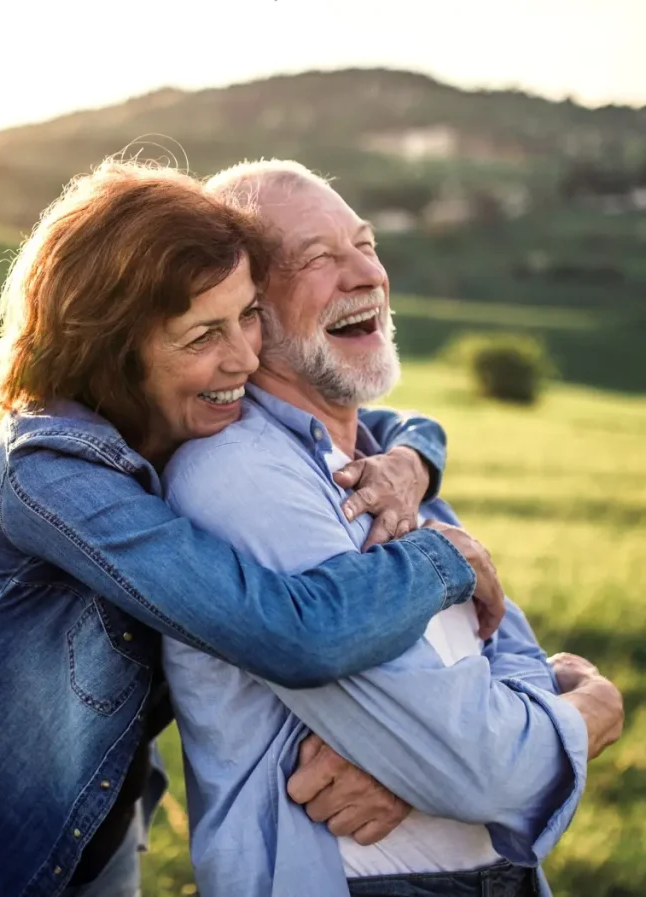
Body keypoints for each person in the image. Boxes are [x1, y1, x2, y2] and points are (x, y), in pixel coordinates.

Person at [0, 161, 505, 897]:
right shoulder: (50, 475)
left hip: (95, 828)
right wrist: (443, 559)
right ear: (114, 348)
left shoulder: (175, 417)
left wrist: (411, 462)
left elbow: (376, 422)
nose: (245, 356)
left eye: (247, 313)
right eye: (202, 335)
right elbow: (289, 633)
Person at [162, 160, 625, 897]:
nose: (366, 275)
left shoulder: (388, 467)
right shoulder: (239, 475)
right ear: (250, 310)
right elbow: (477, 766)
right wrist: (589, 710)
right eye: (318, 258)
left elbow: (509, 657)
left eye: (365, 244)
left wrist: (424, 770)